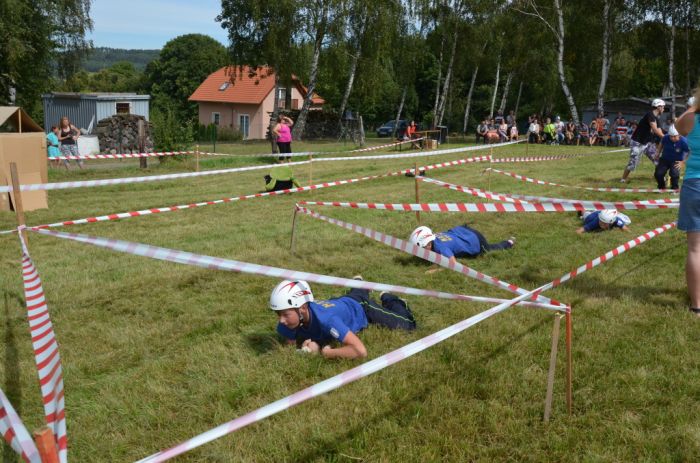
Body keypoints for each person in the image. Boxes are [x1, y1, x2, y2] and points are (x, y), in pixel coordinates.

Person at [271, 279, 416, 359]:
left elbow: (360, 351)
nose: (281, 321)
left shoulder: (327, 320)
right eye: (279, 314)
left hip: (361, 308)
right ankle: (359, 284)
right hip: (342, 301)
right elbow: (290, 343)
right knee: (354, 294)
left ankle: (389, 298)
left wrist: (326, 353)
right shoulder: (289, 321)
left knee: (407, 325)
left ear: (302, 308)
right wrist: (305, 345)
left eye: (285, 314)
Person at [675, 87, 700, 316]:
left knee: (695, 249)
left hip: (694, 184)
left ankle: (696, 306)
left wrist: (694, 105)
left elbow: (676, 124)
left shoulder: (691, 118)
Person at [409, 225, 515, 273]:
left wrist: (434, 271)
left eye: (420, 249)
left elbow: (454, 265)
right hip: (464, 231)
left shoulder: (441, 248)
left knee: (490, 249)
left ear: (427, 244)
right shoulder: (434, 238)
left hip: (476, 241)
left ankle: (508, 243)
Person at [620, 99, 666, 183]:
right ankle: (623, 179)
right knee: (633, 163)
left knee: (657, 159)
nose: (664, 109)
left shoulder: (656, 118)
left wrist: (669, 135)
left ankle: (660, 177)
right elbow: (655, 129)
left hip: (648, 143)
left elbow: (660, 131)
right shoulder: (650, 115)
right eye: (663, 107)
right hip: (637, 142)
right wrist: (667, 138)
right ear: (658, 107)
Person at [654, 125, 689, 190]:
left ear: (679, 135)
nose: (672, 138)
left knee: (674, 175)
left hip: (676, 161)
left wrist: (682, 162)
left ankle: (674, 188)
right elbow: (661, 143)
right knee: (658, 174)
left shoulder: (684, 141)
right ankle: (661, 187)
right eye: (671, 136)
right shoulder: (666, 137)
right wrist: (658, 152)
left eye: (675, 136)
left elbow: (690, 152)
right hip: (664, 159)